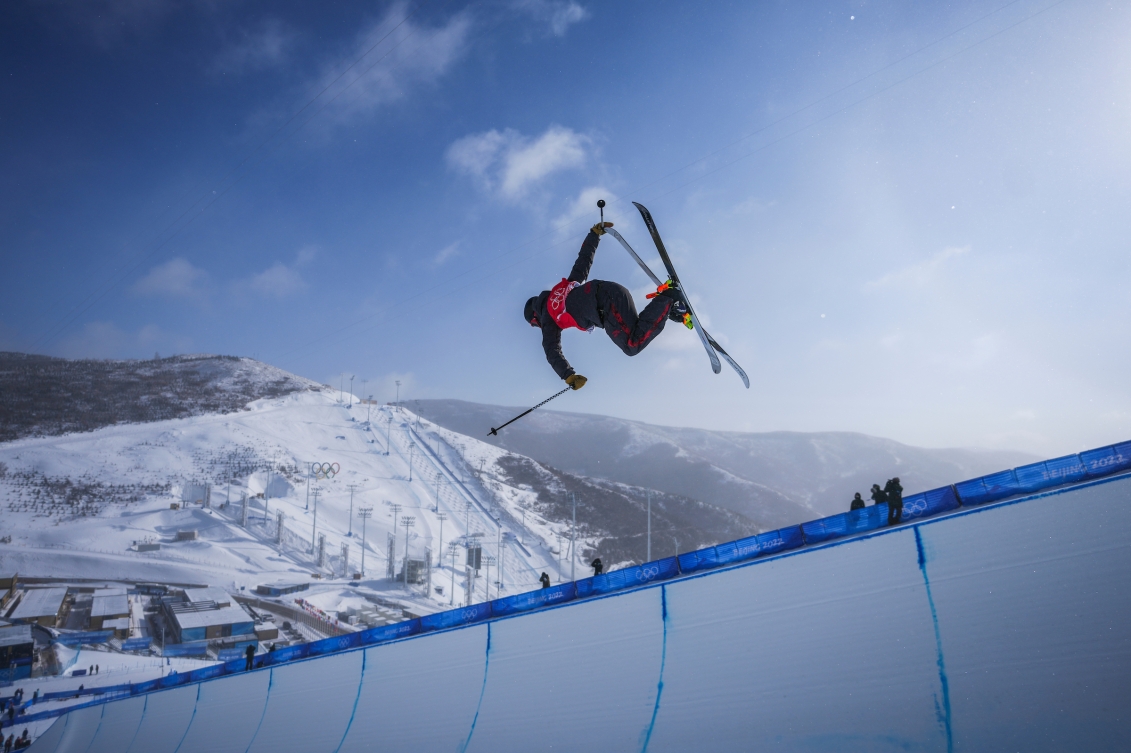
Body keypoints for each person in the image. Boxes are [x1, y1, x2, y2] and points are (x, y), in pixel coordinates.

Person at [525, 222, 689, 389]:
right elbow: (582, 263)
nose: (539, 326)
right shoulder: (561, 289)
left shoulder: (548, 315)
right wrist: (593, 235)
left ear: (535, 316)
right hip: (613, 291)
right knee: (635, 330)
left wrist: (568, 376)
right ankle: (669, 307)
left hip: (606, 305)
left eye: (535, 324)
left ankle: (668, 298)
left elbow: (551, 349)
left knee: (631, 345)